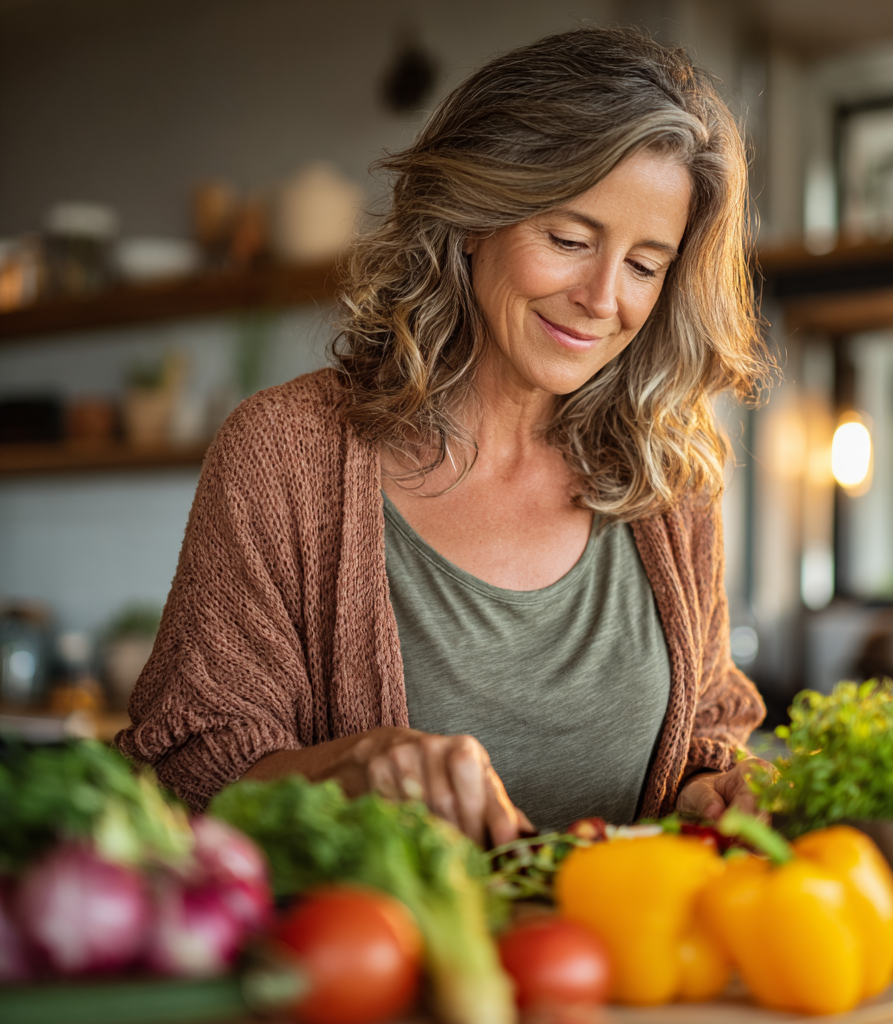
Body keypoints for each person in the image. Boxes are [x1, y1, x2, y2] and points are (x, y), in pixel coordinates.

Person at [117, 26, 771, 847]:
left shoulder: (670, 477)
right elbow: (183, 773)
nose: (604, 298)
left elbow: (707, 732)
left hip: (633, 966)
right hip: (381, 967)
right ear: (472, 218)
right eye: (569, 239)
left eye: (646, 264)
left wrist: (720, 787)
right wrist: (349, 770)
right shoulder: (285, 453)